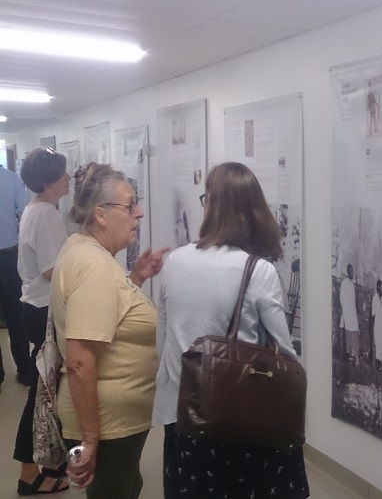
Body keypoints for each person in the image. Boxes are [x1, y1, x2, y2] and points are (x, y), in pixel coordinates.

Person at [152, 162, 309, 498]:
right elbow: (285, 355)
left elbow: (162, 338)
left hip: (183, 414)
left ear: (211, 206)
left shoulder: (175, 261)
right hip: (237, 416)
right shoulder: (258, 271)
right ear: (254, 210)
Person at [51, 162, 168, 498]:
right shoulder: (93, 266)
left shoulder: (84, 248)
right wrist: (90, 439)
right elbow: (80, 360)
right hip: (107, 424)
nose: (140, 213)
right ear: (100, 215)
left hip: (115, 421)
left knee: (127, 486)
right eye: (130, 205)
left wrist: (137, 278)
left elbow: (107, 316)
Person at [15, 147, 70, 496]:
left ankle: (46, 463)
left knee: (47, 392)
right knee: (42, 394)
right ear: (49, 180)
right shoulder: (46, 214)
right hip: (43, 310)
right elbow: (54, 270)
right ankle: (28, 472)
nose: (68, 178)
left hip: (35, 308)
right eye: (63, 174)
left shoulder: (39, 209)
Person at [0, 163, 32, 388]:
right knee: (15, 317)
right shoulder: (12, 180)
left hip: (9, 256)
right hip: (8, 258)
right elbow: (26, 213)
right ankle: (24, 370)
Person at [339, 263, 359, 364]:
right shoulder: (345, 283)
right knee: (347, 332)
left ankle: (352, 353)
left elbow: (353, 300)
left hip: (352, 312)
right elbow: (342, 298)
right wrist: (346, 311)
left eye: (352, 271)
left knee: (354, 330)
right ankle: (346, 354)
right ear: (347, 272)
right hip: (347, 312)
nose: (352, 273)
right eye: (350, 271)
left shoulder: (351, 284)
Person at [371, 279, 382, 372]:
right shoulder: (375, 298)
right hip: (377, 325)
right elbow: (373, 314)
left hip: (381, 325)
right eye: (381, 287)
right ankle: (377, 365)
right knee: (377, 343)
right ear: (378, 287)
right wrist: (374, 327)